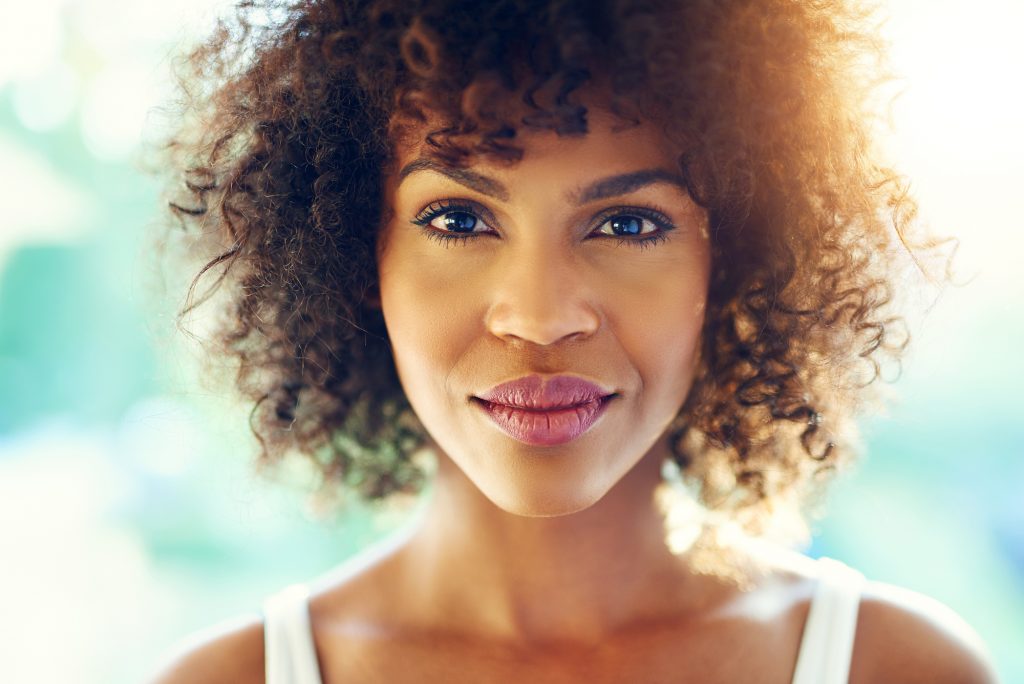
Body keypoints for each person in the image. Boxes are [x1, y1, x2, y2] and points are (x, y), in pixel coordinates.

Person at [149, 0, 996, 682]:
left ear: (733, 257)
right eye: (458, 218)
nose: (541, 317)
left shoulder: (896, 668)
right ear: (355, 256)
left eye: (626, 223)